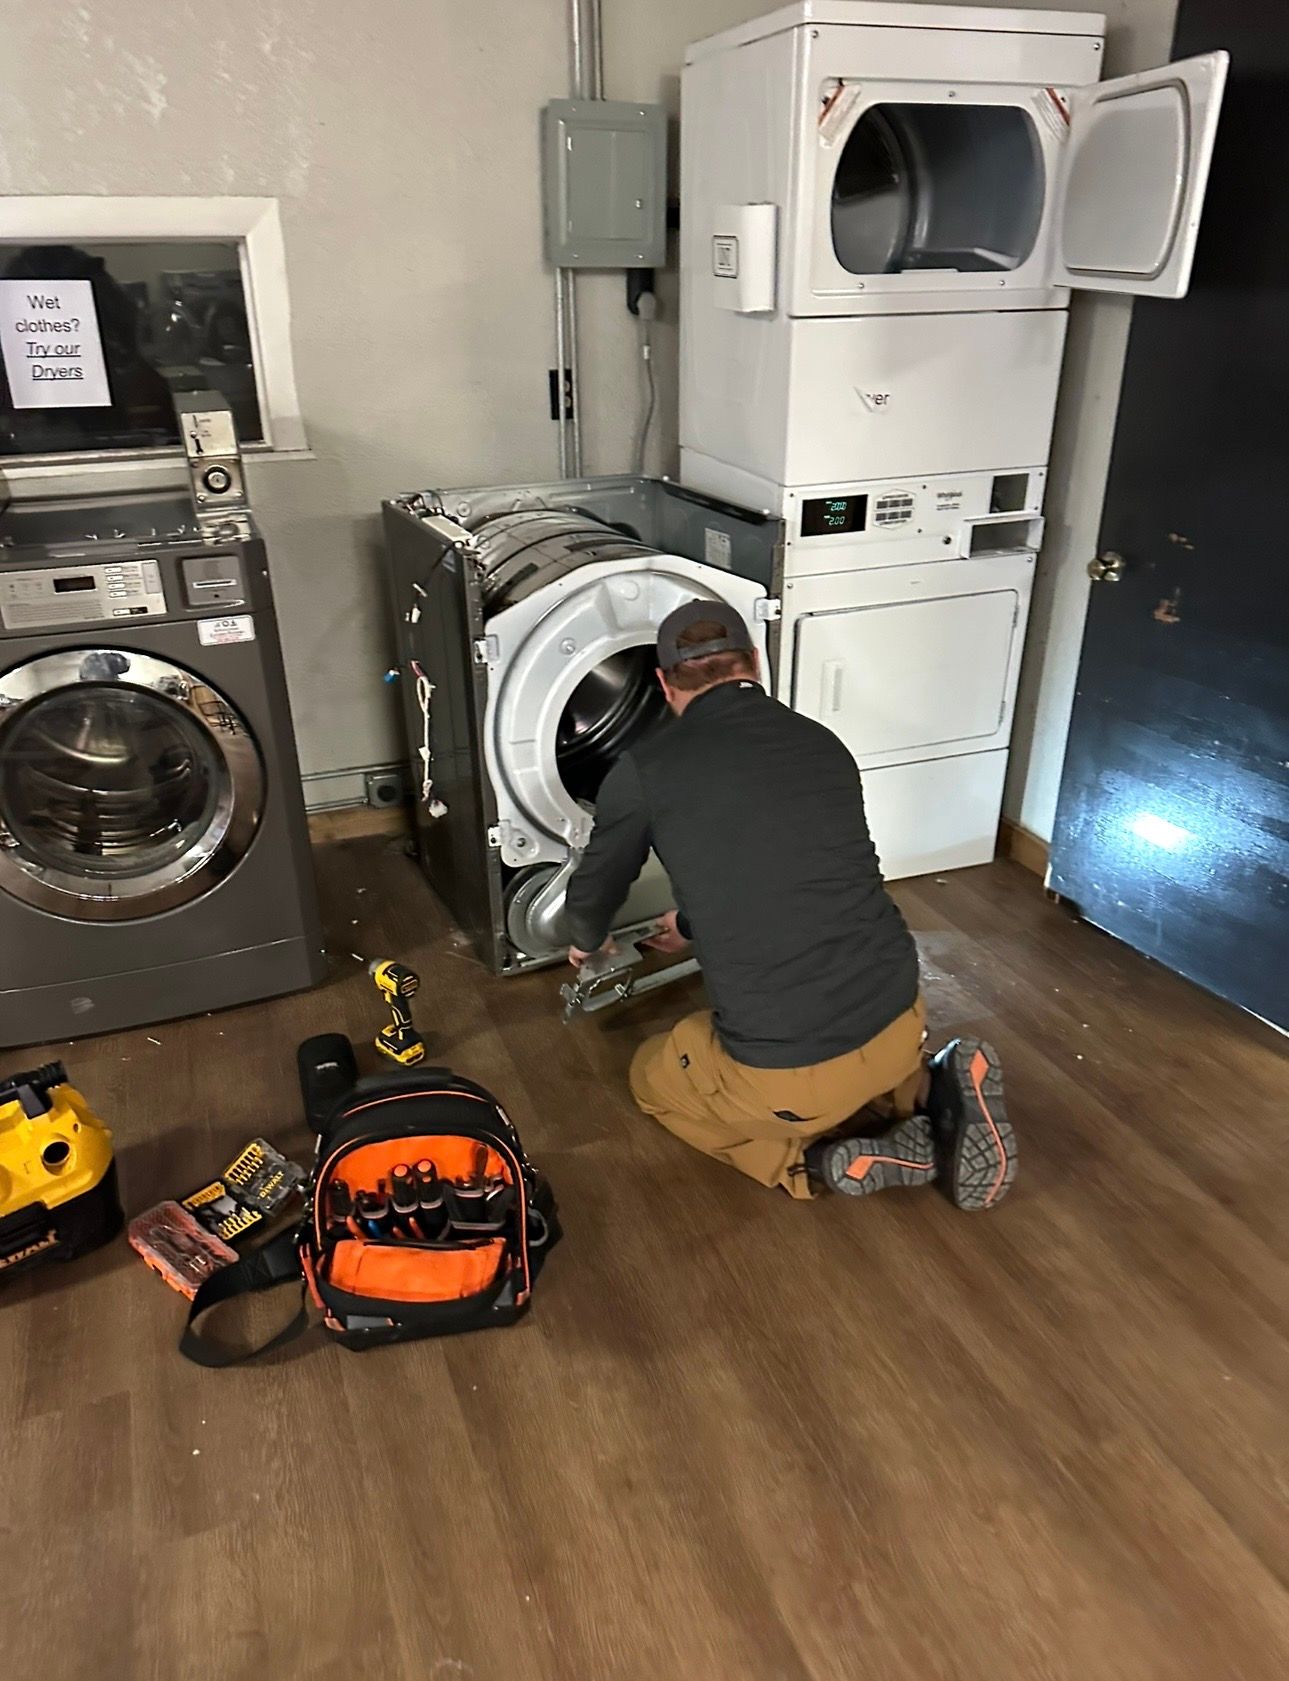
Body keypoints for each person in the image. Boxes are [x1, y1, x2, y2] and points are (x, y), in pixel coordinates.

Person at [564, 599, 1017, 1208]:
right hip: (902, 1012)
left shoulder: (645, 770)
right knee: (855, 1053)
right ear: (755, 662)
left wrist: (586, 940)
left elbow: (596, 887)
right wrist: (693, 926)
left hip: (787, 1077)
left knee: (654, 1074)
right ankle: (923, 1093)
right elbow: (792, 875)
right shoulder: (821, 743)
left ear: (664, 684)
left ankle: (812, 1164)